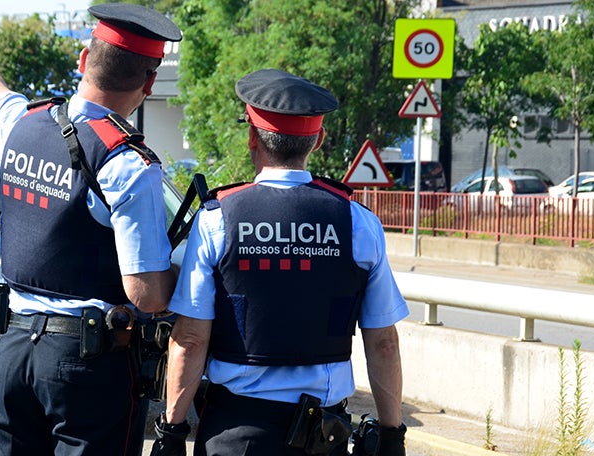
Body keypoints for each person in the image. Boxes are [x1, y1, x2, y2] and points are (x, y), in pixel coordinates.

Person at [0, 3, 181, 455]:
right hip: (86, 365)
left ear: (82, 60)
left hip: (15, 348)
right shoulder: (128, 165)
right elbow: (146, 294)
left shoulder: (22, 122)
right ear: (149, 83)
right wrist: (192, 271)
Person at [151, 69, 408, 456]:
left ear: (252, 137)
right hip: (324, 437)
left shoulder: (218, 219)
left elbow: (189, 339)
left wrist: (171, 431)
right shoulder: (358, 223)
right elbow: (383, 343)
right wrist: (392, 436)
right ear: (318, 140)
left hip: (236, 432)